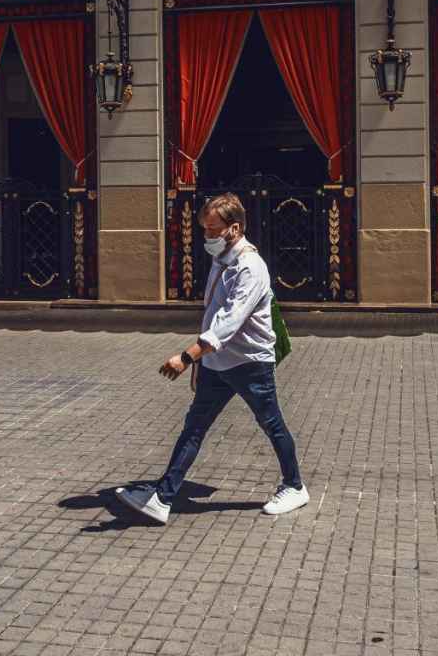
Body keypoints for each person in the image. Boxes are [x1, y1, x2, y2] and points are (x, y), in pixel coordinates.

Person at [114, 192, 307, 525]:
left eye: (212, 229)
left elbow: (229, 321)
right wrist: (204, 360)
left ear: (234, 228)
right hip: (217, 363)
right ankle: (163, 497)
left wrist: (188, 357)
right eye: (205, 229)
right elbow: (213, 313)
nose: (207, 236)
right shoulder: (223, 259)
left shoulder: (250, 267)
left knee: (272, 424)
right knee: (194, 427)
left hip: (249, 363)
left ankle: (295, 486)